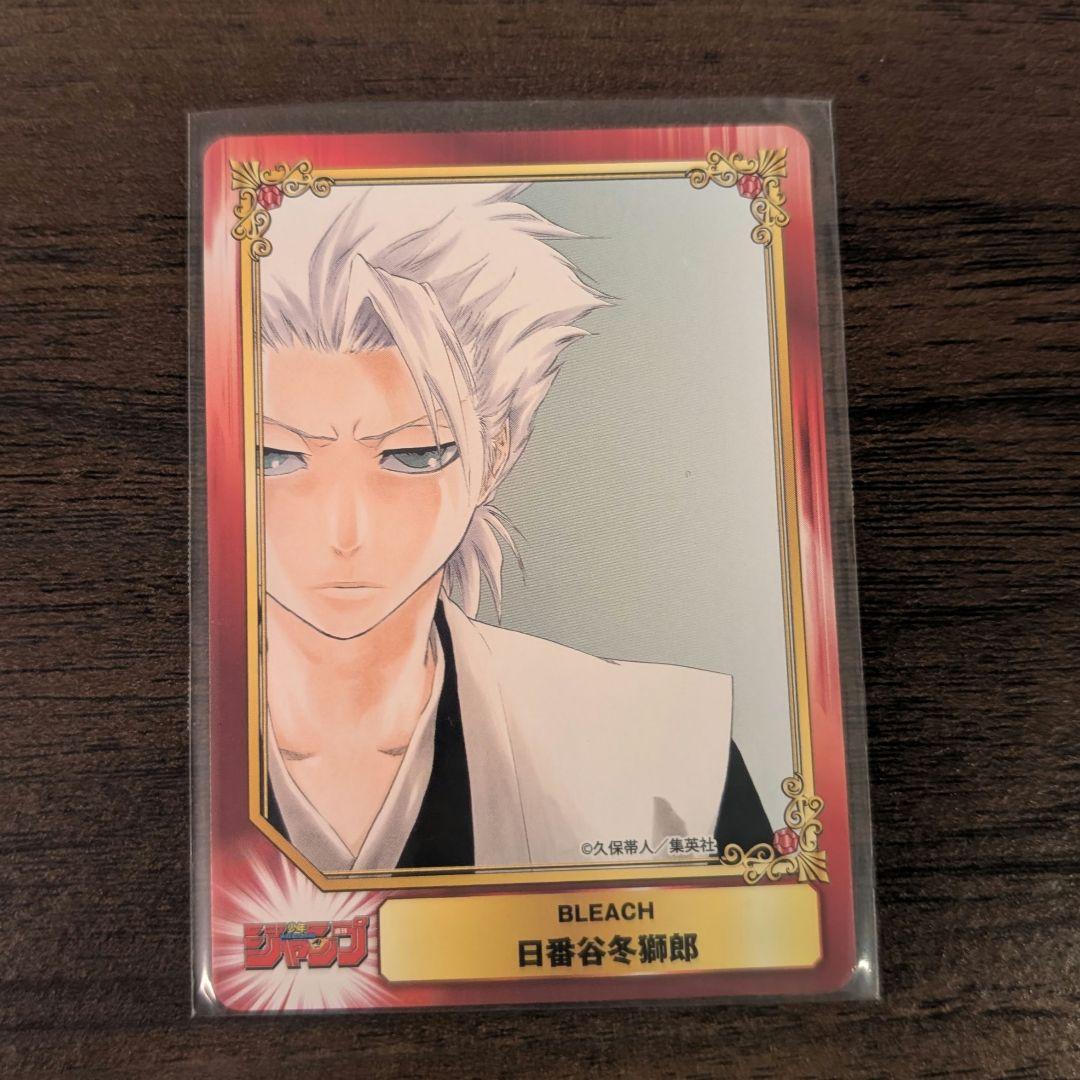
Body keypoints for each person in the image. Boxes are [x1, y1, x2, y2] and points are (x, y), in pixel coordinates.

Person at [257, 183, 771, 873]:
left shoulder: (666, 757)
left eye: (413, 455)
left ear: (496, 454)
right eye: (275, 457)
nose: (343, 529)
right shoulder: (165, 737)